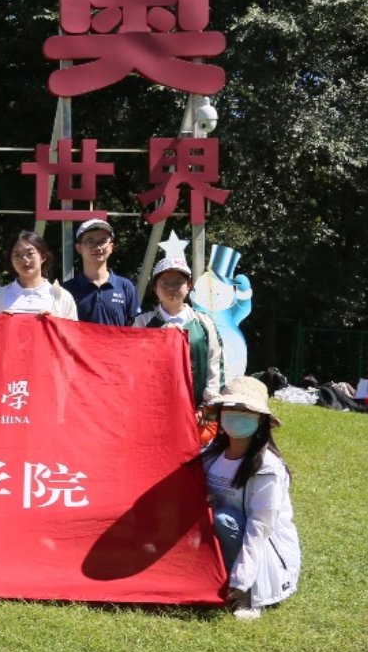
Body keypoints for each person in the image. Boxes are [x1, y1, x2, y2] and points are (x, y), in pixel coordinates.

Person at [202, 376, 301, 620]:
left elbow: (260, 527)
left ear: (261, 420)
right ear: (221, 414)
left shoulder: (268, 468)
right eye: (231, 408)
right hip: (215, 534)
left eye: (246, 410)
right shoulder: (210, 455)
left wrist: (243, 579)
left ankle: (246, 595)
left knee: (224, 520)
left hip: (258, 548)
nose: (238, 414)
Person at [135, 254, 225, 409]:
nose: (171, 288)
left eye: (178, 283)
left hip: (196, 409)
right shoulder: (142, 323)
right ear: (155, 287)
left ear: (188, 285)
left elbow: (215, 364)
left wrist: (207, 405)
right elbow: (133, 365)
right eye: (165, 282)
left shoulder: (204, 323)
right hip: (152, 407)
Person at [64, 218, 142, 325]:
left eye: (103, 241)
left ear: (111, 247)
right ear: (79, 248)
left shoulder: (125, 287)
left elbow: (136, 327)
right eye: (90, 241)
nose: (97, 247)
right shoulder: (67, 290)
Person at [0, 232, 77, 318]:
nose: (24, 260)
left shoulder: (62, 297)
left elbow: (72, 329)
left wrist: (55, 322)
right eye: (17, 255)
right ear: (11, 260)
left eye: (30, 254)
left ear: (43, 256)